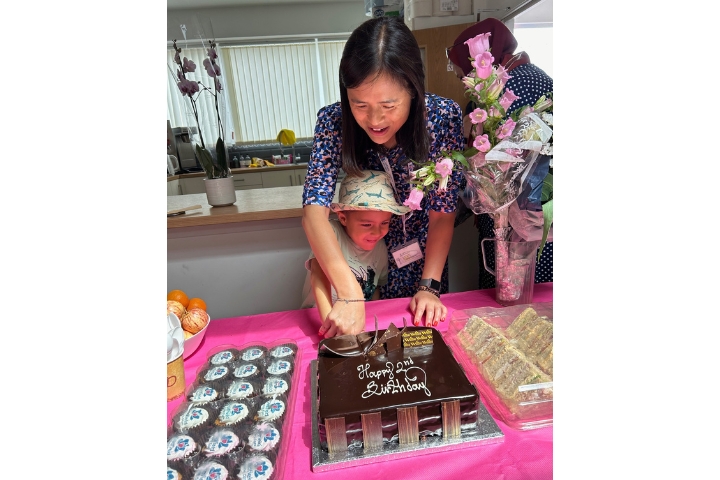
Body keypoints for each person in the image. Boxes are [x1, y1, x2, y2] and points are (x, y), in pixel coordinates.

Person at [302, 16, 465, 338]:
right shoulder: (334, 120)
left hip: (423, 258)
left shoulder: (442, 117)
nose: (374, 119)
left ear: (414, 91)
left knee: (419, 350)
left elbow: (442, 213)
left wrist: (429, 286)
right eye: (359, 104)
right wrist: (349, 291)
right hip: (362, 256)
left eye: (389, 105)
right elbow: (313, 210)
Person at [446, 18, 553, 290]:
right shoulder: (539, 77)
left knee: (515, 297)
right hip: (540, 218)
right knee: (541, 300)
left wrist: (451, 208)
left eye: (463, 73)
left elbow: (500, 165)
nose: (463, 81)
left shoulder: (505, 87)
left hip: (514, 224)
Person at [301, 170, 410, 328]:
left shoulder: (380, 248)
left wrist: (372, 322)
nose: (377, 232)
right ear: (343, 218)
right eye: (367, 224)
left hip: (355, 323)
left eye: (384, 223)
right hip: (319, 319)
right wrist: (328, 326)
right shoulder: (331, 233)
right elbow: (317, 276)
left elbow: (376, 288)